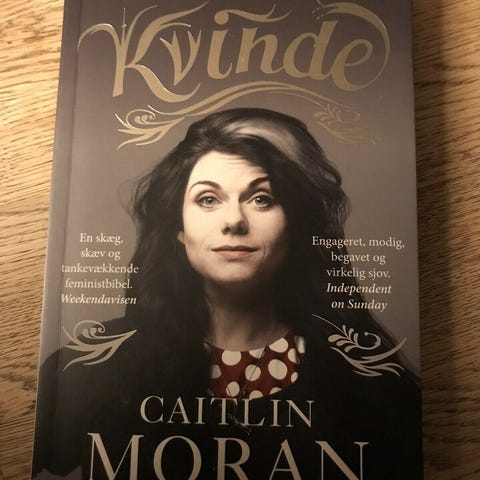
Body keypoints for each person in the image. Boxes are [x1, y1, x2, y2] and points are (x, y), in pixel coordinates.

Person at [33, 109, 422, 479]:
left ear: (297, 225)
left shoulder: (372, 386)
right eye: (208, 199)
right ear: (178, 227)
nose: (234, 220)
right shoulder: (88, 369)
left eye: (261, 199)